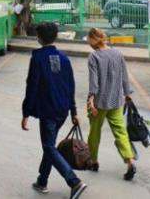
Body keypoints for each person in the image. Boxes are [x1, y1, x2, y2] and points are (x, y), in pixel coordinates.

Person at [22, 22, 87, 199]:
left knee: (49, 147)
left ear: (39, 38)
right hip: (62, 111)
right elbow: (70, 87)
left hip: (48, 110)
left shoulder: (38, 58)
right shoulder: (64, 58)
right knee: (49, 145)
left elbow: (32, 86)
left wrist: (26, 113)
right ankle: (42, 181)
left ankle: (74, 182)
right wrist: (73, 112)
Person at [85, 28, 137, 181]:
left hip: (99, 102)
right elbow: (125, 76)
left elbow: (93, 82)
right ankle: (130, 161)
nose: (88, 43)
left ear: (94, 39)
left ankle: (93, 161)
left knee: (94, 133)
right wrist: (127, 94)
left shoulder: (94, 56)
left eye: (88, 39)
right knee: (121, 132)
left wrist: (91, 101)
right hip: (116, 100)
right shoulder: (118, 54)